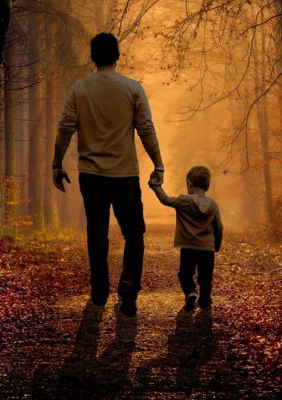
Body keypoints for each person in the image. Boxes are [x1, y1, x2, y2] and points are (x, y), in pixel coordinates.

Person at [52, 32, 164, 316]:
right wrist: (158, 163)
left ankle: (99, 292)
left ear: (93, 57)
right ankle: (128, 290)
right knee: (134, 232)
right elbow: (146, 128)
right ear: (117, 56)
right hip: (124, 175)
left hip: (91, 174)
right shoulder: (132, 88)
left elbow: (66, 127)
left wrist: (57, 163)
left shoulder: (79, 89)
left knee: (97, 234)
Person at [149, 165, 223, 311]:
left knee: (185, 274)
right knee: (206, 277)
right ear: (207, 185)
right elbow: (219, 228)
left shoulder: (184, 201)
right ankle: (204, 300)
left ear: (189, 182)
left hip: (189, 248)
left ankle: (191, 292)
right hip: (207, 248)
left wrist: (155, 186)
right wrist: (217, 245)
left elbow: (166, 199)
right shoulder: (213, 205)